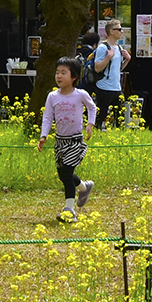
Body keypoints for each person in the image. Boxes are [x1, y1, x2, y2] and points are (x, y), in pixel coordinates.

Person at [37, 56, 98, 221]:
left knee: (67, 172)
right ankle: (84, 187)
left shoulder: (80, 95)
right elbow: (48, 117)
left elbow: (92, 108)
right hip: (60, 141)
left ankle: (69, 210)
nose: (59, 76)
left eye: (64, 72)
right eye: (57, 72)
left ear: (74, 77)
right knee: (63, 175)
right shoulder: (52, 96)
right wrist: (43, 136)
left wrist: (90, 125)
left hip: (75, 141)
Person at [91, 21, 128, 129]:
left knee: (119, 118)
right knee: (101, 116)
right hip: (104, 87)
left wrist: (127, 60)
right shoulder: (103, 47)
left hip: (116, 87)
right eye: (119, 29)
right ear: (111, 31)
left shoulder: (119, 48)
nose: (122, 32)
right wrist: (108, 57)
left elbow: (117, 69)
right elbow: (97, 68)